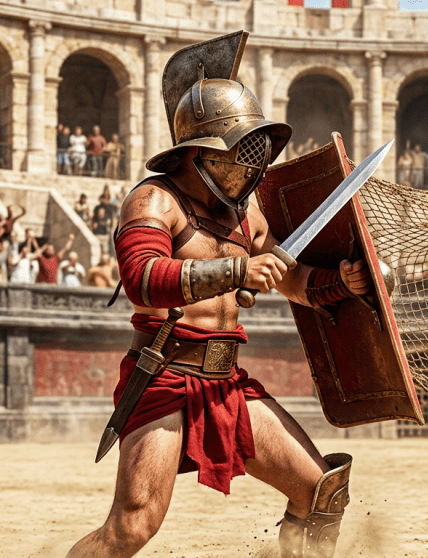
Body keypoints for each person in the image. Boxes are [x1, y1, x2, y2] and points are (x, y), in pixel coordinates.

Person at [66, 35, 370, 558]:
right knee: (132, 527)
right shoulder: (155, 199)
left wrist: (341, 283)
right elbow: (142, 278)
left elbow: (290, 279)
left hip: (227, 381)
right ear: (201, 151)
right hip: (165, 375)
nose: (252, 168)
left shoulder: (244, 213)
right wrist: (237, 269)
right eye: (241, 152)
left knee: (321, 490)